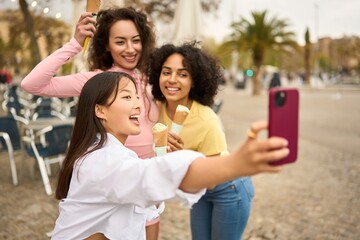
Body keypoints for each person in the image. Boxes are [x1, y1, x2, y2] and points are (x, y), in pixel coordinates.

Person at [51, 71, 288, 239]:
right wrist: (237, 164)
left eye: (136, 96)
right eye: (126, 97)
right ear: (100, 110)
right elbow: (154, 176)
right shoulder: (100, 161)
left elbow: (146, 188)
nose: (138, 105)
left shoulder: (114, 154)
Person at [21, 7, 161, 239]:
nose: (130, 49)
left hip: (148, 182)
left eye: (136, 40)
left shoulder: (150, 81)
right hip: (113, 186)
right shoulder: (97, 81)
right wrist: (74, 44)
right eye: (120, 41)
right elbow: (32, 84)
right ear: (106, 45)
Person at [148, 42, 254, 240]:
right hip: (199, 193)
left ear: (195, 80)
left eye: (182, 74)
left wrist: (180, 159)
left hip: (228, 188)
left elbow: (212, 179)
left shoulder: (207, 120)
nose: (172, 80)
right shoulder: (157, 107)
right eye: (166, 72)